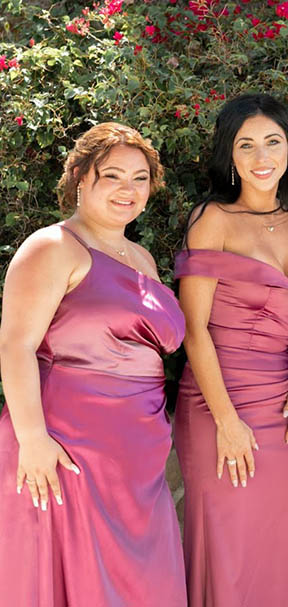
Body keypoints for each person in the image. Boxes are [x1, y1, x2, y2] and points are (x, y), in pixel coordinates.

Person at [0, 123, 186, 606]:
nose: (129, 190)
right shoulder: (53, 247)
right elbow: (16, 346)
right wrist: (33, 439)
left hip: (137, 457)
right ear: (81, 177)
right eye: (113, 176)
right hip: (68, 450)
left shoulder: (142, 258)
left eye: (140, 178)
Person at [174, 93, 288, 606]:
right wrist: (227, 421)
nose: (262, 157)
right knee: (230, 546)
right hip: (218, 403)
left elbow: (285, 320)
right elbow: (194, 331)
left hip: (280, 403)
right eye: (246, 145)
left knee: (283, 542)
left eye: (272, 142)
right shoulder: (212, 219)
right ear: (229, 156)